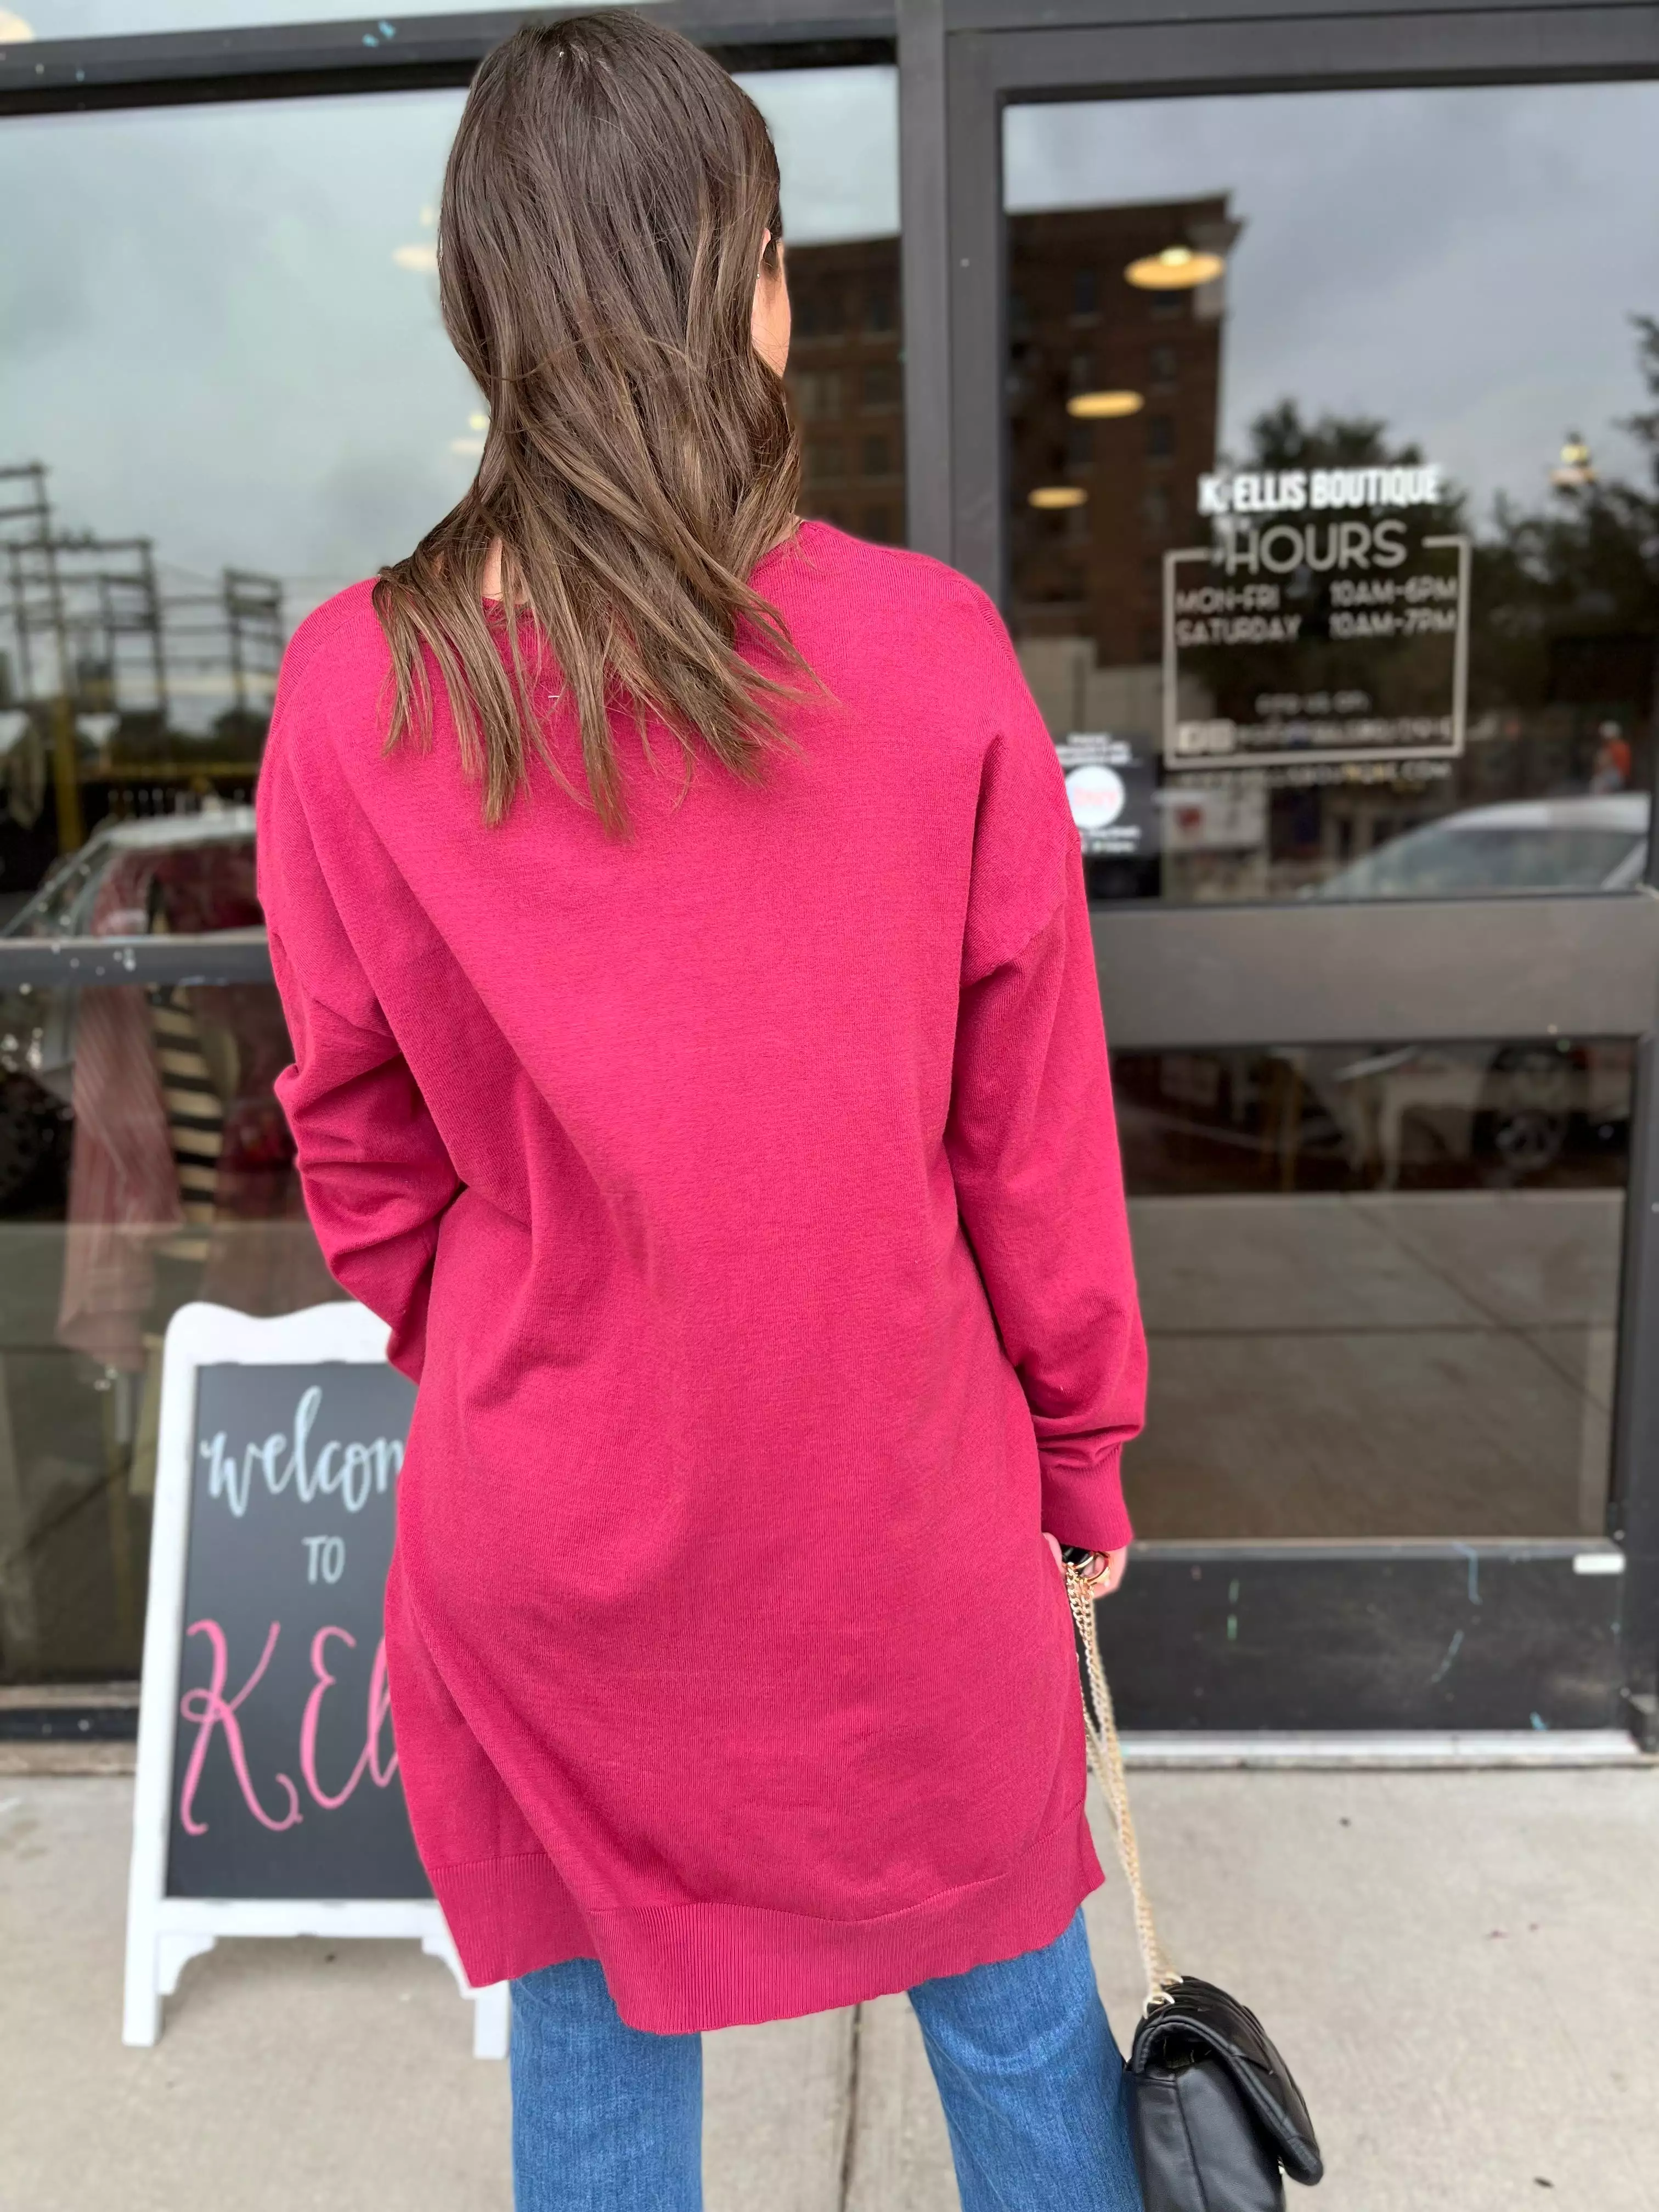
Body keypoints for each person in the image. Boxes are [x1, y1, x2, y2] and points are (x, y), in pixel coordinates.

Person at [255, 13, 1147, 2208]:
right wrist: (1080, 1447)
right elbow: (1027, 1138)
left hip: (551, 1532)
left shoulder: (355, 688)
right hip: (895, 1512)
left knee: (589, 2053)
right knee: (1023, 2020)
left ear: (487, 309)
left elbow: (350, 1137)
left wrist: (496, 1345)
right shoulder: (926, 652)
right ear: (752, 283)